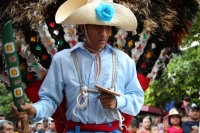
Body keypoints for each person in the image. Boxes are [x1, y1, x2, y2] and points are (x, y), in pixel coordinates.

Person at [11, 0, 144, 132]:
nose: (103, 33)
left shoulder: (124, 61)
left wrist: (118, 102)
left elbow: (137, 100)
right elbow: (50, 100)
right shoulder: (63, 60)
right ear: (83, 27)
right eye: (97, 26)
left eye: (107, 27)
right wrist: (34, 110)